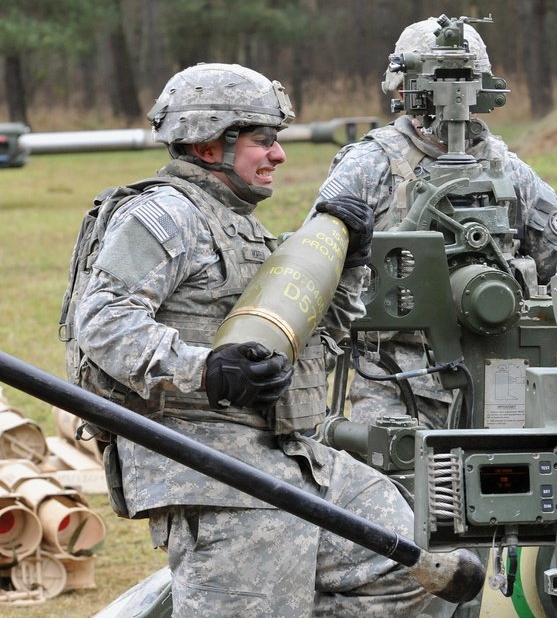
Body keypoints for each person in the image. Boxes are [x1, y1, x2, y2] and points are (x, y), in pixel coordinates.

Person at [73, 63, 431, 618]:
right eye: (264, 141)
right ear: (211, 146)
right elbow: (100, 320)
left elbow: (317, 341)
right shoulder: (163, 214)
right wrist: (207, 368)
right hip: (210, 462)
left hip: (285, 454)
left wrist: (350, 263)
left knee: (408, 562)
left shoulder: (240, 226)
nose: (279, 155)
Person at [310, 17, 557, 429]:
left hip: (502, 376)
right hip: (396, 381)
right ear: (403, 90)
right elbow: (313, 270)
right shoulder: (369, 168)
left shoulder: (511, 175)